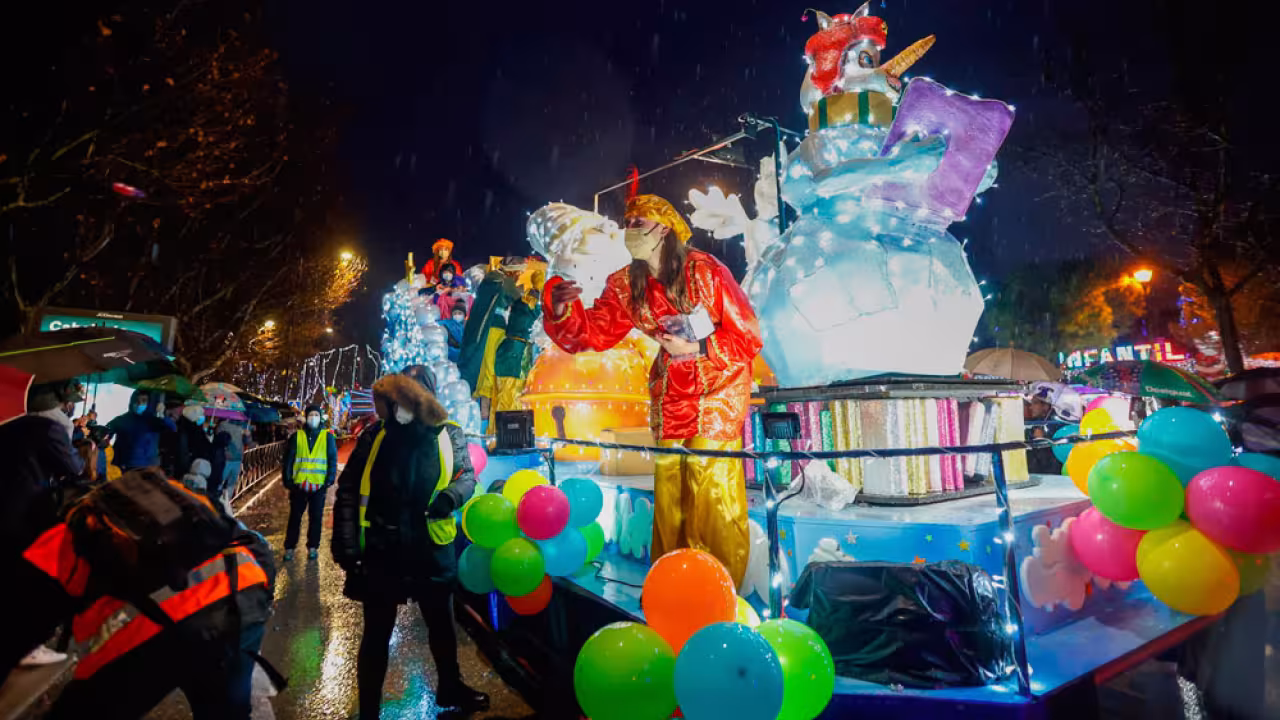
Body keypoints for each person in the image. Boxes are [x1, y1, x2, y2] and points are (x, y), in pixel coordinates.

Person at [543, 193, 762, 587]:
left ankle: (718, 592)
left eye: (638, 224)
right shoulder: (627, 284)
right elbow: (592, 333)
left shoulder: (705, 271)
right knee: (671, 502)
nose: (629, 232)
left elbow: (747, 336)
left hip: (716, 394)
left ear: (664, 229)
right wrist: (560, 308)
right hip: (670, 395)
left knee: (711, 498)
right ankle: (673, 587)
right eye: (626, 224)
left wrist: (697, 348)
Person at [331, 367, 487, 718]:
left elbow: (466, 475)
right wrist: (346, 544)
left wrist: (450, 496)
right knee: (376, 635)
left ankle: (450, 687)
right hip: (383, 550)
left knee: (442, 628)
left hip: (430, 547)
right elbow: (349, 490)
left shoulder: (449, 434)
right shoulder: (376, 435)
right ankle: (369, 708)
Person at [23, 513, 277, 720]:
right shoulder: (121, 515)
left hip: (201, 607)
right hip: (244, 585)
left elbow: (96, 674)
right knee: (224, 707)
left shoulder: (65, 564)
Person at [0, 380, 91, 671]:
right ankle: (23, 646)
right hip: (24, 512)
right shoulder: (49, 429)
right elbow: (72, 468)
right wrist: (82, 445)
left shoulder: (9, 425)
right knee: (20, 578)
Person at [459, 257, 525, 416]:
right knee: (491, 370)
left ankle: (483, 412)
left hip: (487, 330)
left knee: (485, 369)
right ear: (514, 270)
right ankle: (485, 414)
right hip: (496, 330)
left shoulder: (491, 279)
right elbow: (520, 301)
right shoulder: (504, 281)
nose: (519, 276)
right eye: (519, 272)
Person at [281, 405, 338, 561]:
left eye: (316, 414)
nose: (313, 417)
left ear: (320, 418)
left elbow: (332, 460)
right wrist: (288, 480)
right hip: (299, 485)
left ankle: (313, 547)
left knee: (316, 518)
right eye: (311, 414)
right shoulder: (296, 437)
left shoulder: (327, 438)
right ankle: (290, 548)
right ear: (306, 417)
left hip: (319, 486)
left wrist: (329, 480)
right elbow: (288, 461)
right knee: (294, 518)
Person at [491, 269, 544, 425]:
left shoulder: (519, 301)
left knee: (502, 391)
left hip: (507, 348)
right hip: (517, 352)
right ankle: (511, 432)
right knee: (513, 392)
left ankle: (498, 432)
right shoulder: (535, 307)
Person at [106, 389, 174, 470]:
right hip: (124, 466)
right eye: (136, 401)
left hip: (147, 467)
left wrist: (163, 416)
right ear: (132, 402)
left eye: (144, 401)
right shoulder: (122, 420)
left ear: (149, 403)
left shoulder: (154, 421)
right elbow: (105, 432)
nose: (139, 404)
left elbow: (172, 428)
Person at [440, 298, 468, 363]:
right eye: (455, 313)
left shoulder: (468, 325)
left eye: (460, 313)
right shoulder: (448, 323)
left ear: (464, 315)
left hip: (464, 357)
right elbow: (437, 323)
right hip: (451, 356)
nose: (457, 315)